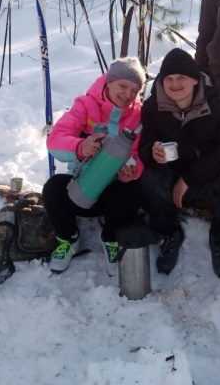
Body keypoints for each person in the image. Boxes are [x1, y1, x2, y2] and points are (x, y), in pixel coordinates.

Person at [138, 48, 220, 278]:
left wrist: (191, 177)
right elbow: (145, 146)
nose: (175, 84)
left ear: (195, 79)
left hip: (209, 178)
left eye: (181, 78)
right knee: (148, 179)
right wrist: (153, 153)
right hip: (171, 182)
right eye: (169, 78)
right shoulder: (152, 107)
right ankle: (170, 233)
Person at [43, 58, 145, 274]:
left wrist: (132, 169)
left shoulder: (138, 116)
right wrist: (80, 146)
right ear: (109, 82)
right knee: (53, 188)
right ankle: (68, 239)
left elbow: (138, 154)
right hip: (80, 188)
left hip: (113, 194)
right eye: (123, 86)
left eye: (134, 90)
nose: (128, 95)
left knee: (134, 190)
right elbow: (55, 141)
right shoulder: (86, 105)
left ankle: (111, 237)